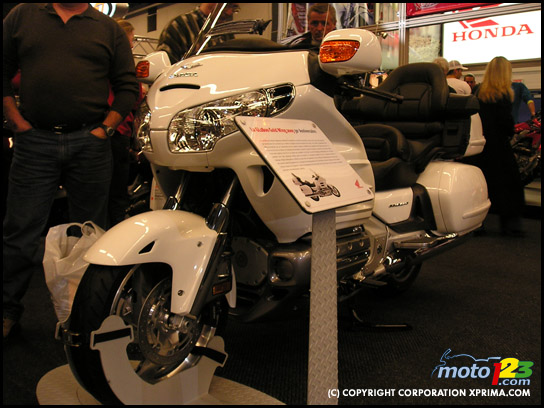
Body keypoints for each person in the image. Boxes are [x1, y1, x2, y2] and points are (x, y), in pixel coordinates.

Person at [3, 3, 139, 339]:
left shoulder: (107, 27)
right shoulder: (23, 16)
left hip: (89, 142)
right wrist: (16, 122)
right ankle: (7, 311)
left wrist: (105, 129)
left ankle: (84, 317)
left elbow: (128, 87)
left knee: (90, 234)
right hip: (34, 140)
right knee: (20, 232)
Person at [472, 56, 525, 236]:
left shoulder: (478, 92)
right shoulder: (503, 95)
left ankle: (477, 223)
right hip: (499, 147)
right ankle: (510, 225)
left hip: (480, 146)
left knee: (482, 185)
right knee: (510, 185)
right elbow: (506, 124)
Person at [108, 19, 146, 226]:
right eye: (130, 40)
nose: (132, 45)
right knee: (117, 190)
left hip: (100, 130)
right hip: (118, 130)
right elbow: (135, 99)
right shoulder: (124, 65)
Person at [157, 3, 240, 64]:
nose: (229, 12)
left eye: (234, 7)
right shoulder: (179, 26)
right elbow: (164, 70)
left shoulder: (226, 32)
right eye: (227, 5)